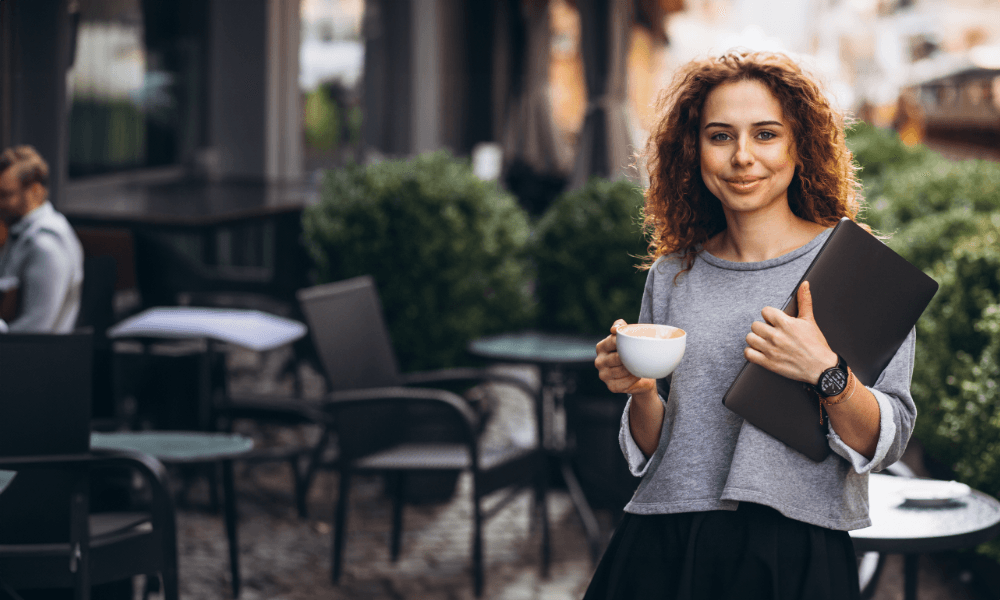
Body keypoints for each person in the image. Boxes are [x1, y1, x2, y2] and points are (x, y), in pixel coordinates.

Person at [587, 50, 916, 600]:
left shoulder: (859, 270)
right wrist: (641, 392)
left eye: (766, 134)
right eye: (720, 136)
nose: (743, 157)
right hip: (668, 538)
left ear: (798, 145)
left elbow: (888, 440)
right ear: (693, 150)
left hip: (797, 548)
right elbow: (655, 446)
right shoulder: (673, 274)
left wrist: (827, 374)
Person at [0, 145, 84, 333]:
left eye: (5, 195)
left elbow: (36, 329)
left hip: (33, 358)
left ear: (35, 191)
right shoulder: (19, 232)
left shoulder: (46, 244)